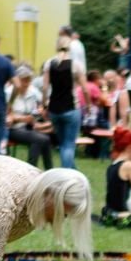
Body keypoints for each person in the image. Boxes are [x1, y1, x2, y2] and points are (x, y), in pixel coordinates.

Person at [42, 35, 88, 169]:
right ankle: (66, 175)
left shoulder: (49, 63)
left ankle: (75, 173)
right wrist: (89, 105)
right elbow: (85, 89)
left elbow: (45, 87)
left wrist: (45, 104)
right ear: (70, 48)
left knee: (63, 144)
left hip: (54, 109)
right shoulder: (76, 64)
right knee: (68, 145)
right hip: (71, 108)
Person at [6, 66, 53, 169]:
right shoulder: (8, 93)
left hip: (28, 126)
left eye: (29, 81)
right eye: (24, 81)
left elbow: (41, 105)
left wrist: (40, 110)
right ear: (17, 80)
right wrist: (23, 119)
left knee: (46, 139)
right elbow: (6, 117)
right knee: (39, 139)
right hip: (13, 128)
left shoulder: (32, 91)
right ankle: (30, 170)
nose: (27, 84)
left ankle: (49, 170)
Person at [103, 126, 131, 227]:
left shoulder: (112, 166)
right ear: (129, 148)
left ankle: (114, 219)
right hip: (123, 213)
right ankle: (125, 220)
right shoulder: (129, 166)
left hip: (109, 211)